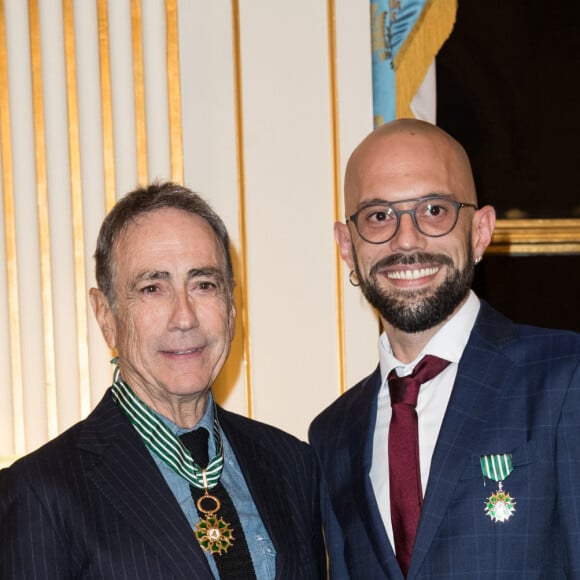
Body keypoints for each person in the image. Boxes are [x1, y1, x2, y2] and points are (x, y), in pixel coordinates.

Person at [0, 181, 326, 579]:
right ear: (106, 317)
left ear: (232, 307)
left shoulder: (292, 464)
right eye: (152, 288)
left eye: (203, 284)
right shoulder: (40, 492)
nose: (184, 317)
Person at [309, 119, 580, 579]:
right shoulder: (332, 435)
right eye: (378, 216)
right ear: (346, 246)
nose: (406, 240)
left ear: (480, 230)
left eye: (434, 210)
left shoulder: (564, 377)